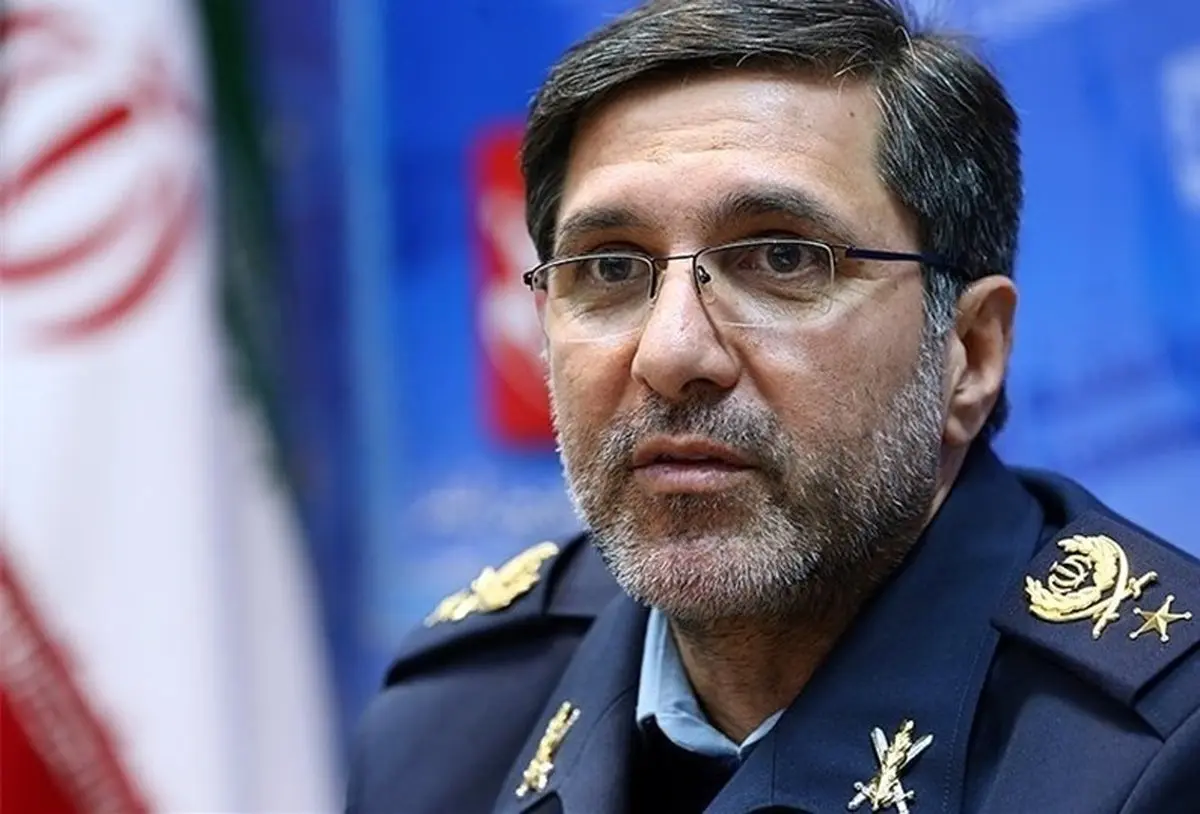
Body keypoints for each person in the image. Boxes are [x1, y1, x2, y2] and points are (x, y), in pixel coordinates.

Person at [346, 1, 1200, 811]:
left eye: (783, 258)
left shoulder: (1164, 755)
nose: (672, 353)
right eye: (608, 268)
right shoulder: (447, 727)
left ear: (969, 353)